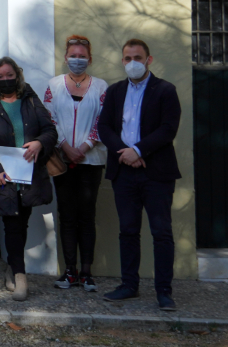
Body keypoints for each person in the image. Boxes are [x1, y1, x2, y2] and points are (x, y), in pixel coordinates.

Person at [98, 39, 181, 311]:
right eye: (127, 58)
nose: (132, 62)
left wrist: (138, 150)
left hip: (157, 173)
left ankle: (164, 291)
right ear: (122, 61)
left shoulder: (166, 90)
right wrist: (125, 152)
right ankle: (129, 285)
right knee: (128, 231)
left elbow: (168, 129)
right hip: (124, 172)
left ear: (149, 59)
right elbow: (105, 127)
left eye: (137, 57)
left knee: (161, 232)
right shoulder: (115, 91)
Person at [0, 57, 57, 302]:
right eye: (1, 77)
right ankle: (20, 276)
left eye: (10, 75)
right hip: (2, 176)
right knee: (11, 223)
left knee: (22, 222)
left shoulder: (30, 98)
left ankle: (11, 266)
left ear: (17, 76)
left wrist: (41, 142)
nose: (6, 80)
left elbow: (50, 129)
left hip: (29, 175)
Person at [43, 35, 108, 292]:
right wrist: (65, 146)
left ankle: (87, 272)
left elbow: (104, 120)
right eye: (73, 55)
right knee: (67, 215)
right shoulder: (54, 85)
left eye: (82, 56)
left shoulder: (102, 87)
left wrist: (85, 146)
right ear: (65, 57)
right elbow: (48, 117)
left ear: (89, 59)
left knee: (87, 215)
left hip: (91, 160)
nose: (77, 60)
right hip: (62, 160)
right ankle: (69, 271)